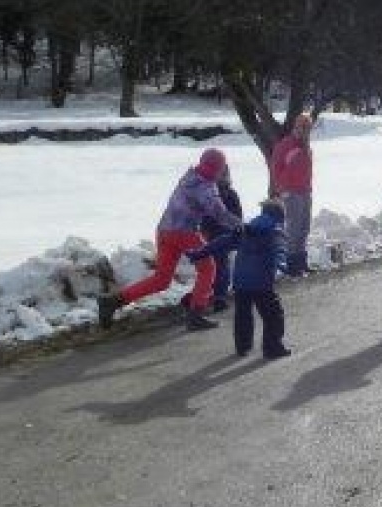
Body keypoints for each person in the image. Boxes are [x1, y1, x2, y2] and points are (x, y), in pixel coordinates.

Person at [96, 148, 242, 332]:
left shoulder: (190, 176)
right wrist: (240, 225)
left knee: (162, 279)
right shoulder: (205, 185)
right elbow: (218, 212)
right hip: (185, 232)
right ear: (219, 168)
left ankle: (113, 301)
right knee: (208, 268)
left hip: (164, 230)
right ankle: (196, 314)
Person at [189, 199, 292, 360]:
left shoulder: (245, 229)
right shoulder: (275, 230)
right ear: (280, 216)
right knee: (273, 315)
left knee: (243, 314)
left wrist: (200, 252)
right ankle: (273, 348)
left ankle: (242, 346)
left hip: (240, 282)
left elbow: (222, 242)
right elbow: (280, 250)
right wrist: (283, 265)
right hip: (261, 283)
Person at [269, 112, 315, 276]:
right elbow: (275, 168)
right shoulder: (285, 145)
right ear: (295, 127)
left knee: (304, 228)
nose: (304, 131)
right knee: (294, 229)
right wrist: (283, 188)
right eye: (301, 127)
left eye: (307, 128)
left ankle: (301, 263)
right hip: (291, 192)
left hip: (305, 191)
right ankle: (292, 266)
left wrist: (308, 188)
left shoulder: (306, 146)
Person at [202, 165, 244, 312]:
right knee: (216, 265)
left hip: (226, 234)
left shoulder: (231, 194)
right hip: (212, 234)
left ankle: (219, 295)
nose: (222, 177)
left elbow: (238, 214)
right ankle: (216, 296)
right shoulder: (209, 193)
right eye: (220, 173)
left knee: (222, 264)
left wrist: (238, 230)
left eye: (225, 174)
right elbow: (204, 216)